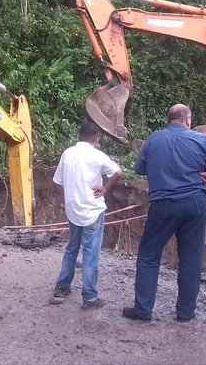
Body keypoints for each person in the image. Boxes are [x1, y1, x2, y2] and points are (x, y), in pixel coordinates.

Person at [121, 104, 206, 322]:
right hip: (195, 203)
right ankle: (186, 313)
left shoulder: (154, 139)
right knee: (191, 259)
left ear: (169, 120)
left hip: (164, 204)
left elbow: (139, 169)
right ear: (188, 119)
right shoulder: (201, 139)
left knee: (149, 256)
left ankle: (143, 310)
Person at [51, 121, 123, 310]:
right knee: (91, 253)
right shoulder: (97, 155)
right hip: (93, 210)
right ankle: (90, 297)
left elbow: (57, 182)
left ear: (78, 136)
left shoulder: (67, 154)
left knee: (72, 247)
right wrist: (105, 189)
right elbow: (118, 172)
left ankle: (61, 287)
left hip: (73, 209)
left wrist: (69, 196)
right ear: (97, 139)